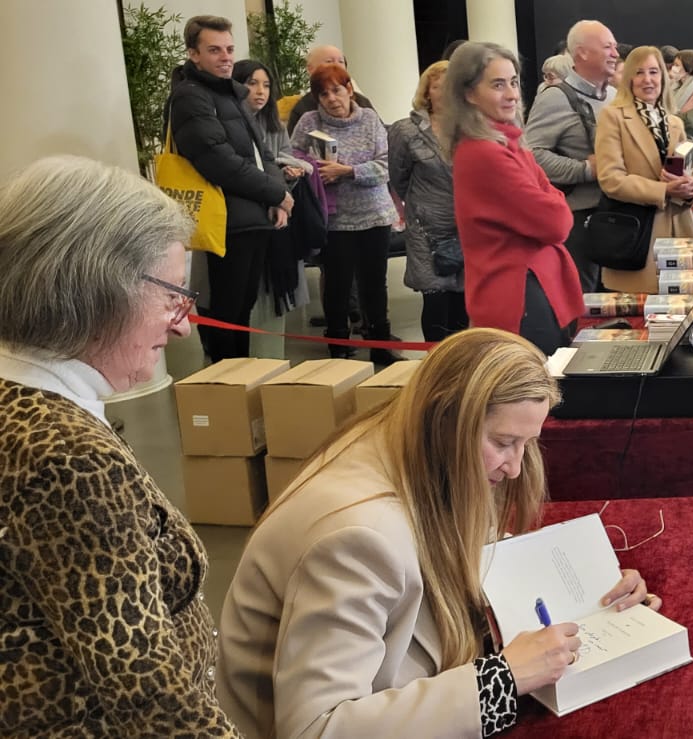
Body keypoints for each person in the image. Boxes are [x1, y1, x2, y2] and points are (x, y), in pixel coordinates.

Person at [218, 328, 662, 738]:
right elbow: (316, 728)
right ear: (447, 421)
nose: (514, 468)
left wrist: (591, 590)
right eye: (504, 443)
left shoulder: (402, 437)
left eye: (527, 444)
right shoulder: (359, 538)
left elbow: (465, 542)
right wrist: (501, 682)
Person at [0, 155, 238, 736]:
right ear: (96, 287)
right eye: (172, 294)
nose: (184, 324)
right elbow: (144, 685)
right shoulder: (68, 456)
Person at [446, 42, 584, 356]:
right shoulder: (484, 152)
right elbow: (556, 222)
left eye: (513, 82)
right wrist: (553, 199)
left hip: (534, 289)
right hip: (516, 299)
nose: (511, 94)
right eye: (498, 85)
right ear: (468, 93)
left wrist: (551, 197)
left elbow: (550, 200)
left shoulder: (507, 143)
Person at [168, 16, 292, 363]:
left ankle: (243, 378)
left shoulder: (230, 94)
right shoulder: (190, 97)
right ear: (193, 54)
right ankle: (227, 385)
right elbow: (218, 161)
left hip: (251, 216)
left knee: (243, 308)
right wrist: (275, 193)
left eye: (229, 49)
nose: (225, 57)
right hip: (226, 219)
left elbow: (263, 154)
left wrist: (278, 196)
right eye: (214, 50)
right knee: (226, 311)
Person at [291, 63, 400, 365]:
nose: (332, 99)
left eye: (337, 90)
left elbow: (385, 166)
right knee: (337, 283)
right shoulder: (309, 122)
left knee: (374, 283)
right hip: (334, 218)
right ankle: (338, 344)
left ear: (350, 90)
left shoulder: (369, 120)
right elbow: (291, 158)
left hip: (374, 215)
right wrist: (311, 170)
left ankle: (379, 343)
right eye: (323, 94)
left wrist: (348, 171)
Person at [595, 46, 693, 294]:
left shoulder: (674, 121)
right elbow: (611, 179)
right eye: (640, 72)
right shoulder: (612, 117)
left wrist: (691, 188)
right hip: (638, 238)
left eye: (654, 72)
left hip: (680, 235)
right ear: (629, 79)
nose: (648, 79)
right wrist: (663, 190)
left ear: (663, 78)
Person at [523, 19, 619, 292]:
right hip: (578, 221)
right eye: (607, 47)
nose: (616, 53)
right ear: (582, 53)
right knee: (582, 303)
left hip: (615, 216)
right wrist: (586, 169)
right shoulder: (556, 97)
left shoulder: (613, 95)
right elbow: (532, 156)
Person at [231, 59, 313, 360]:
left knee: (272, 295)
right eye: (252, 83)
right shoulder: (228, 123)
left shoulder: (273, 125)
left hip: (277, 218)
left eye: (266, 85)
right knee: (240, 300)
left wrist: (286, 173)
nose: (260, 92)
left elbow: (289, 157)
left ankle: (270, 360)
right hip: (243, 219)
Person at [391, 61, 468, 343]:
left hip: (465, 224)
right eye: (438, 86)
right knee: (435, 297)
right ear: (427, 92)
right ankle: (435, 363)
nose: (445, 92)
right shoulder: (405, 131)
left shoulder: (471, 127)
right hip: (427, 227)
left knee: (462, 298)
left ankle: (459, 363)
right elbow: (399, 178)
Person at [286, 45, 378, 132]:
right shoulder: (304, 111)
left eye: (341, 62)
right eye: (329, 61)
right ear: (310, 69)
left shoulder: (364, 106)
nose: (336, 66)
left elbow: (384, 138)